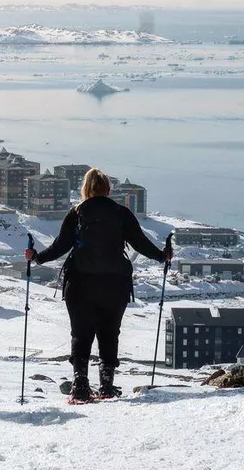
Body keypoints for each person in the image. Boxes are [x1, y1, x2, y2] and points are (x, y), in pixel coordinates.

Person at [25, 168, 172, 402]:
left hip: (79, 285)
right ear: (108, 190)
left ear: (85, 190)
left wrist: (36, 257)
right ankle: (106, 386)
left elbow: (60, 246)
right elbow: (141, 243)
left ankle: (80, 386)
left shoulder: (77, 213)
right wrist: (162, 256)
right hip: (114, 286)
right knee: (109, 334)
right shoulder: (121, 213)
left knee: (81, 335)